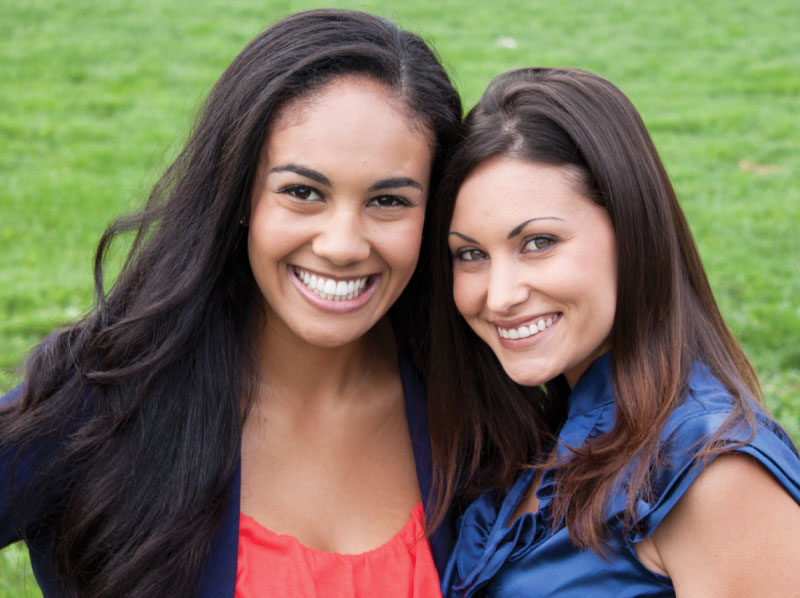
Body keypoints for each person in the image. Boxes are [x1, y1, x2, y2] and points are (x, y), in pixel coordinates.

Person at [0, 9, 462, 597]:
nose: (343, 245)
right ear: (238, 192)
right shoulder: (112, 394)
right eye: (302, 192)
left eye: (389, 201)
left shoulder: (473, 404)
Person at [426, 67, 800, 597]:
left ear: (632, 230)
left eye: (538, 242)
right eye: (471, 254)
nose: (500, 294)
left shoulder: (711, 470)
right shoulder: (538, 439)